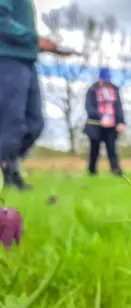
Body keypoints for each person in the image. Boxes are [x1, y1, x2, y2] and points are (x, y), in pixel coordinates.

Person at [0, 0, 72, 190]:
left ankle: (9, 166)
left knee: (34, 123)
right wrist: (33, 38)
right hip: (8, 61)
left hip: (26, 61)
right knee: (11, 123)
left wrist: (46, 46)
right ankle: (6, 176)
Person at [83, 68, 126, 176]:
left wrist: (121, 121)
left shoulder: (114, 90)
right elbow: (89, 107)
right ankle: (92, 171)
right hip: (96, 124)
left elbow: (118, 107)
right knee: (94, 149)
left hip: (111, 125)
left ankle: (116, 170)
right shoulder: (92, 90)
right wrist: (100, 119)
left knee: (112, 148)